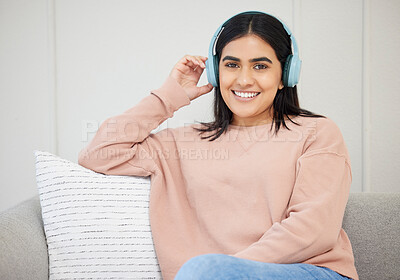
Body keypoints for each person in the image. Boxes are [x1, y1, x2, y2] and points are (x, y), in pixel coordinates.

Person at [79, 11, 359, 280]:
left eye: (260, 66)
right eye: (231, 64)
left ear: (286, 75)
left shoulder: (316, 132)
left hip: (307, 271)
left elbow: (313, 229)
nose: (244, 79)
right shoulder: (181, 144)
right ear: (215, 72)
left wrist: (223, 270)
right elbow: (99, 154)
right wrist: (170, 95)